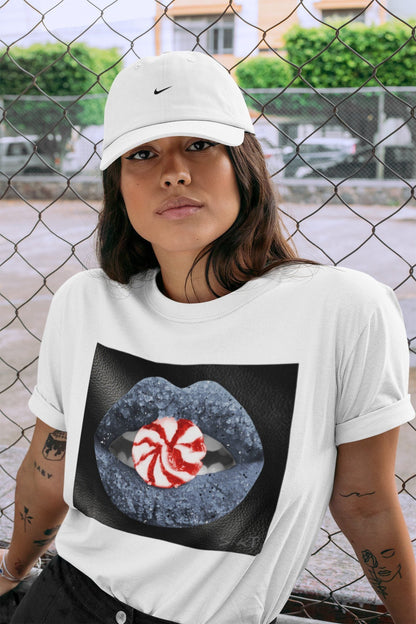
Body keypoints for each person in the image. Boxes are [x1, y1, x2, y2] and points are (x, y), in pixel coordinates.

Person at [0, 50, 415, 624]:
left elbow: (365, 502)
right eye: (142, 153)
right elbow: (47, 468)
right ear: (118, 186)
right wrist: (11, 572)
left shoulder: (344, 309)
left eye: (199, 144)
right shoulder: (85, 302)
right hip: (63, 602)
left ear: (245, 164)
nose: (173, 172)